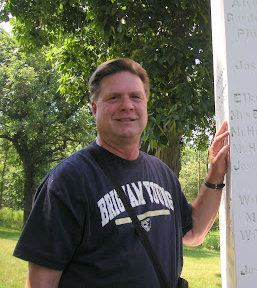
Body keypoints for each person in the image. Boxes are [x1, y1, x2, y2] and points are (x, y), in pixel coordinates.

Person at [13, 58, 230, 287]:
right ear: (95, 109)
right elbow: (40, 282)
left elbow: (194, 233)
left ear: (145, 105)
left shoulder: (162, 174)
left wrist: (215, 174)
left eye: (135, 96)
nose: (127, 105)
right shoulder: (68, 181)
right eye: (114, 97)